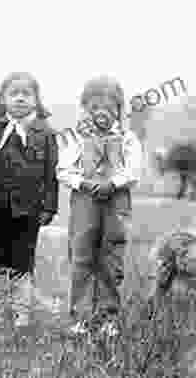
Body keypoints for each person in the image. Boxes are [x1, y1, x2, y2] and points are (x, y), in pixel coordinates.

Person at [57, 76, 142, 337]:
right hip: (85, 200)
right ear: (85, 109)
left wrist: (113, 183)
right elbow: (62, 169)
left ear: (119, 109)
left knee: (111, 256)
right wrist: (81, 183)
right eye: (94, 108)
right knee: (82, 255)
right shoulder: (76, 137)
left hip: (116, 200)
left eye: (109, 107)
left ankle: (107, 317)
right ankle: (81, 317)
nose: (101, 113)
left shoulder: (127, 138)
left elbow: (133, 171)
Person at [0, 72, 59, 327]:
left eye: (27, 93)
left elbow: (51, 172)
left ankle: (21, 311)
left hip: (29, 209)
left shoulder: (45, 132)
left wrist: (49, 205)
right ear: (3, 99)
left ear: (37, 99)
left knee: (22, 260)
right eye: (14, 93)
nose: (21, 98)